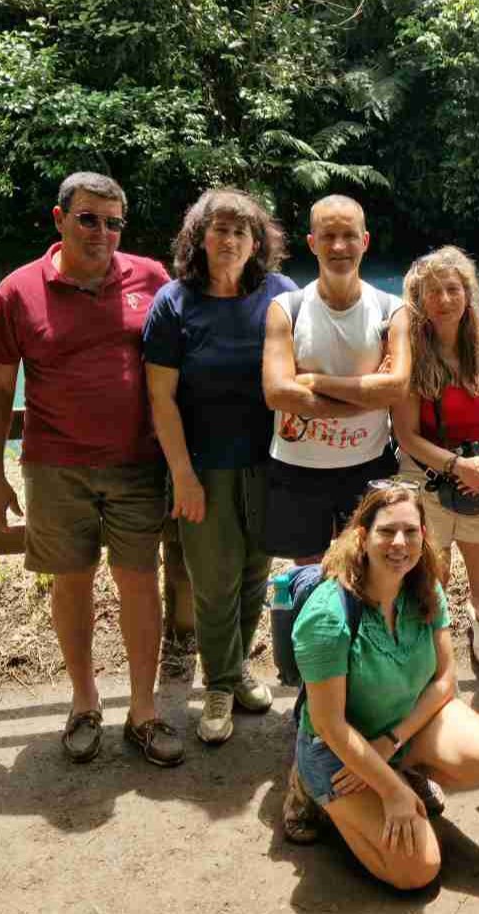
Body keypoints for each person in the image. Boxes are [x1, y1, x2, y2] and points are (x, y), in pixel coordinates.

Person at [0, 171, 183, 767]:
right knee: (72, 582)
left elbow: (181, 368)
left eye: (114, 222)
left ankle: (143, 712)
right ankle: (84, 702)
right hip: (55, 466)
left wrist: (184, 462)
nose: (102, 232)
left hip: (137, 464)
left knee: (139, 581)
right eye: (89, 218)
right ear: (59, 218)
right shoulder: (17, 292)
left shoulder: (151, 278)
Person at [281, 483, 479, 889]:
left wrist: (390, 745)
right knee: (417, 870)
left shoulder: (424, 587)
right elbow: (329, 725)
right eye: (386, 531)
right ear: (363, 537)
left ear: (423, 534)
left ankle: (399, 772)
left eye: (411, 531)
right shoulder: (328, 616)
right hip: (336, 751)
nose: (399, 543)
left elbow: (445, 680)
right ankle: (314, 793)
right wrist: (392, 793)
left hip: (396, 730)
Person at [143, 188, 296, 745]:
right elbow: (161, 398)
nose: (229, 240)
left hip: (269, 464)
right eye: (219, 230)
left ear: (257, 242)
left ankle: (232, 673)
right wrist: (181, 474)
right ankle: (219, 684)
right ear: (199, 238)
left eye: (240, 231)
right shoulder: (174, 303)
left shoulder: (281, 295)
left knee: (256, 572)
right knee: (212, 582)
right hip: (203, 467)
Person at [261, 195, 410, 564]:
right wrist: (364, 398)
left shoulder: (392, 310)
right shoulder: (287, 309)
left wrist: (312, 381)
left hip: (367, 464)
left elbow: (395, 388)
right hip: (299, 465)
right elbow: (278, 393)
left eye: (349, 235)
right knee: (309, 575)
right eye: (328, 236)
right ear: (312, 242)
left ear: (365, 241)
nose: (339, 246)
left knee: (367, 569)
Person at [392, 247, 479, 669]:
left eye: (452, 289)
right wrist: (455, 465)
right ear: (418, 300)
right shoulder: (410, 356)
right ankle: (428, 640)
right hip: (425, 474)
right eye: (432, 292)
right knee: (429, 581)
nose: (443, 300)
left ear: (467, 294)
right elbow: (405, 435)